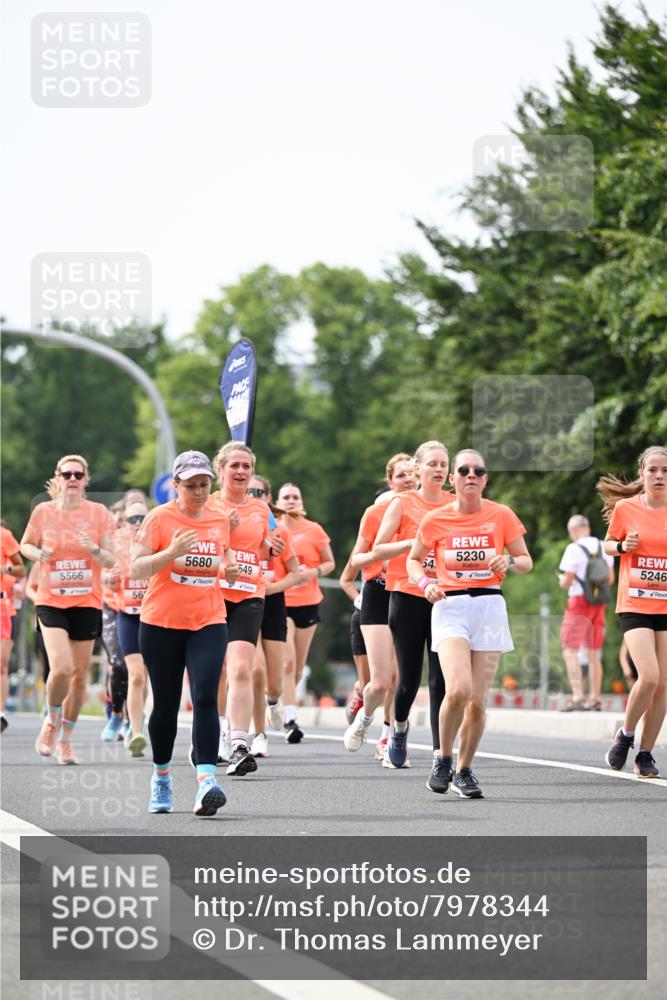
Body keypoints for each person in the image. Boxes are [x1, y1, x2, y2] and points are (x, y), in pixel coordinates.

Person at [407, 448, 532, 797]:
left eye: (479, 471)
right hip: (451, 605)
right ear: (454, 479)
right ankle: (442, 758)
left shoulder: (501, 515)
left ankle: (464, 770)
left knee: (477, 699)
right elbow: (413, 561)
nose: (471, 475)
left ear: (486, 479)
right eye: (464, 470)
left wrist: (509, 561)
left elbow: (526, 560)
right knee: (458, 689)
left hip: (490, 607)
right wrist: (426, 584)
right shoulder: (435, 519)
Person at [131, 450, 239, 815]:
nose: (197, 491)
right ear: (175, 485)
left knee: (206, 694)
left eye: (204, 484)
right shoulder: (160, 518)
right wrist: (171, 553)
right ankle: (161, 777)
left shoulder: (220, 518)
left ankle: (207, 780)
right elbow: (137, 569)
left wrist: (230, 567)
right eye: (190, 485)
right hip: (161, 623)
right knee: (165, 704)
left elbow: (221, 554)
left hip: (208, 619)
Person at [21, 455, 116, 764]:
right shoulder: (43, 512)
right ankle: (50, 722)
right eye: (67, 474)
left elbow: (113, 560)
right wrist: (39, 553)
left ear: (85, 480)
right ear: (58, 478)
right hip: (51, 601)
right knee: (60, 667)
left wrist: (94, 550)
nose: (73, 478)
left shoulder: (99, 513)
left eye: (78, 474)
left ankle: (67, 739)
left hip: (87, 602)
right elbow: (25, 545)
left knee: (77, 676)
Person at [371, 441, 450, 767]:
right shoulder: (402, 503)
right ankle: (399, 729)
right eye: (432, 463)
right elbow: (378, 549)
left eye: (444, 464)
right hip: (407, 594)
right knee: (408, 680)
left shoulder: (455, 504)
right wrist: (413, 543)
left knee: (440, 680)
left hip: (445, 596)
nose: (439, 469)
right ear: (418, 469)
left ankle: (439, 752)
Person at [599, 445, 667, 778]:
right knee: (649, 676)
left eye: (665, 471)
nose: (659, 476)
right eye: (653, 470)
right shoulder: (627, 508)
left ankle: (645, 753)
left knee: (664, 683)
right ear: (642, 474)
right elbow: (608, 544)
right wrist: (624, 546)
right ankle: (626, 734)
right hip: (636, 603)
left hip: (666, 604)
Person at [345, 454, 416, 757]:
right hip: (377, 592)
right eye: (401, 475)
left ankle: (389, 737)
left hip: (410, 593)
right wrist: (381, 558)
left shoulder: (429, 511)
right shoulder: (375, 514)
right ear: (390, 481)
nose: (408, 480)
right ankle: (364, 719)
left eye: (413, 474)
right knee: (380, 682)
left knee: (402, 677)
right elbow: (356, 559)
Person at [212, 443, 274, 776]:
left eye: (246, 466)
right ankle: (214, 732)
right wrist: (225, 527)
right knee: (214, 673)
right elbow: (198, 545)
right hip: (211, 595)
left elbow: (260, 546)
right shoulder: (207, 505)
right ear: (220, 470)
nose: (240, 472)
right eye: (234, 465)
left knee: (239, 670)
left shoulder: (261, 509)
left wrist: (269, 547)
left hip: (250, 594)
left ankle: (239, 744)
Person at [277, 483, 335, 743]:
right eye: (286, 497)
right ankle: (290, 719)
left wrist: (314, 572)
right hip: (282, 601)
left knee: (298, 668)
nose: (291, 501)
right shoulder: (273, 529)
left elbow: (330, 562)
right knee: (287, 662)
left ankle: (277, 697)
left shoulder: (314, 530)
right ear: (278, 502)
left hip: (309, 601)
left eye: (295, 497)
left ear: (301, 501)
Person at [248, 475, 300, 758]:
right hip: (244, 600)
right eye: (249, 491)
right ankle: (258, 734)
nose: (254, 496)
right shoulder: (235, 527)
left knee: (275, 682)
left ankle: (273, 701)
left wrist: (274, 587)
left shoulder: (280, 532)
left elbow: (295, 573)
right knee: (254, 670)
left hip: (273, 601)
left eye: (259, 492)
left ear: (268, 497)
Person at [558, 514, 614, 711]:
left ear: (573, 531)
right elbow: (611, 579)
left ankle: (577, 696)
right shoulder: (603, 546)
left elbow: (567, 580)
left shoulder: (573, 548)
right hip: (599, 603)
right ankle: (595, 698)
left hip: (579, 602)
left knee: (570, 649)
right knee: (593, 651)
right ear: (588, 528)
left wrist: (562, 581)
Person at [115, 499, 151, 756]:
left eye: (142, 518)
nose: (137, 524)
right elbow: (104, 577)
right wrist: (108, 577)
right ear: (124, 523)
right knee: (136, 675)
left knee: (147, 675)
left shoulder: (157, 543)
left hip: (154, 616)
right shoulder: (116, 546)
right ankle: (136, 730)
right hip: (127, 615)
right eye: (132, 519)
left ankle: (136, 718)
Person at [100, 501, 128, 742]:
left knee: (137, 668)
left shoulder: (144, 540)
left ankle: (132, 720)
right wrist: (107, 576)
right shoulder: (106, 542)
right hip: (111, 607)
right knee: (118, 664)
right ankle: (116, 713)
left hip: (138, 608)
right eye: (118, 520)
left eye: (127, 519)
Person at [338, 556, 369, 727]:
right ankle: (359, 693)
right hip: (366, 616)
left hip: (396, 615)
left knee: (391, 680)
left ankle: (389, 739)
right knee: (368, 685)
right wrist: (360, 600)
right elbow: (345, 580)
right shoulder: (367, 543)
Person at [1, 522, 25, 732]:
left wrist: (5, 569)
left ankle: (0, 714)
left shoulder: (4, 536)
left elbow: (20, 569)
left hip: (4, 608)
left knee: (1, 664)